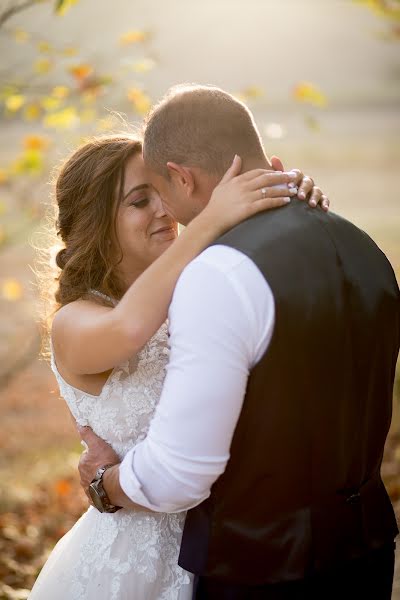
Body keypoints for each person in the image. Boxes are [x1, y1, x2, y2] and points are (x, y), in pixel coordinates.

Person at [79, 85, 400, 600]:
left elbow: (179, 473)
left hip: (260, 571)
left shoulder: (219, 274)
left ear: (182, 177)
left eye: (164, 190)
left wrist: (105, 484)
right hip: (366, 554)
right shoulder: (361, 244)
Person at [28, 132, 327, 600]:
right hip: (131, 568)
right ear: (95, 225)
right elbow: (129, 329)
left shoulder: (200, 285)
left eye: (163, 192)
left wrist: (290, 198)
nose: (164, 211)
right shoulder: (75, 321)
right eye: (138, 201)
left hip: (230, 551)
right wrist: (212, 219)